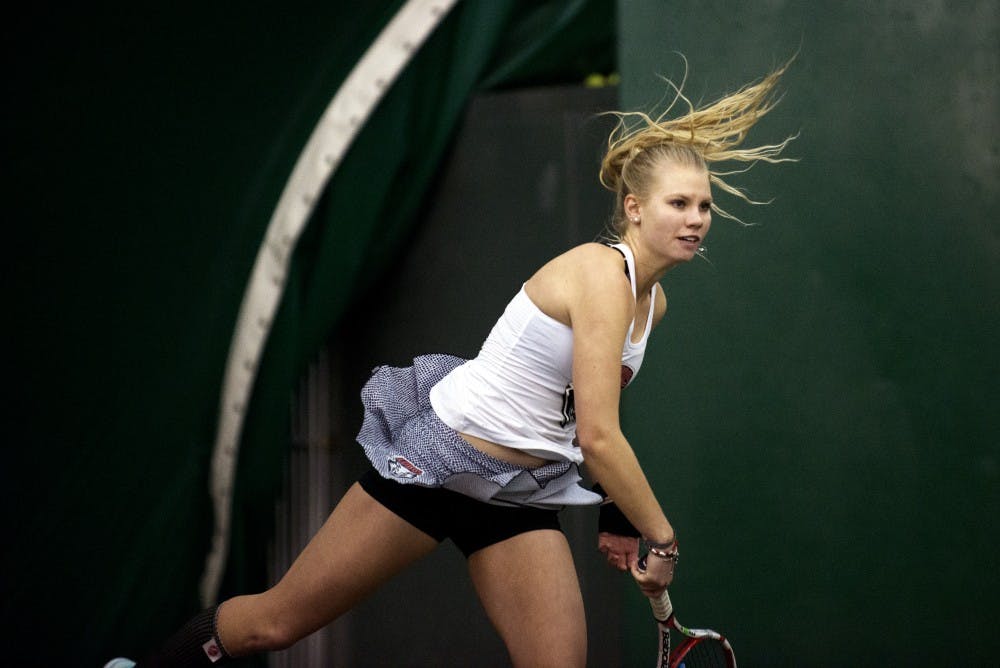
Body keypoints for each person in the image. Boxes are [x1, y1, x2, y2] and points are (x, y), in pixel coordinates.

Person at [106, 58, 794, 668]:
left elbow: (595, 406)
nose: (697, 217)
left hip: (519, 494)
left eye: (704, 205)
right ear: (634, 209)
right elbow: (599, 436)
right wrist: (660, 533)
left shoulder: (654, 304)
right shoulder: (599, 276)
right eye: (680, 203)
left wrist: (616, 511)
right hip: (441, 463)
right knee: (276, 623)